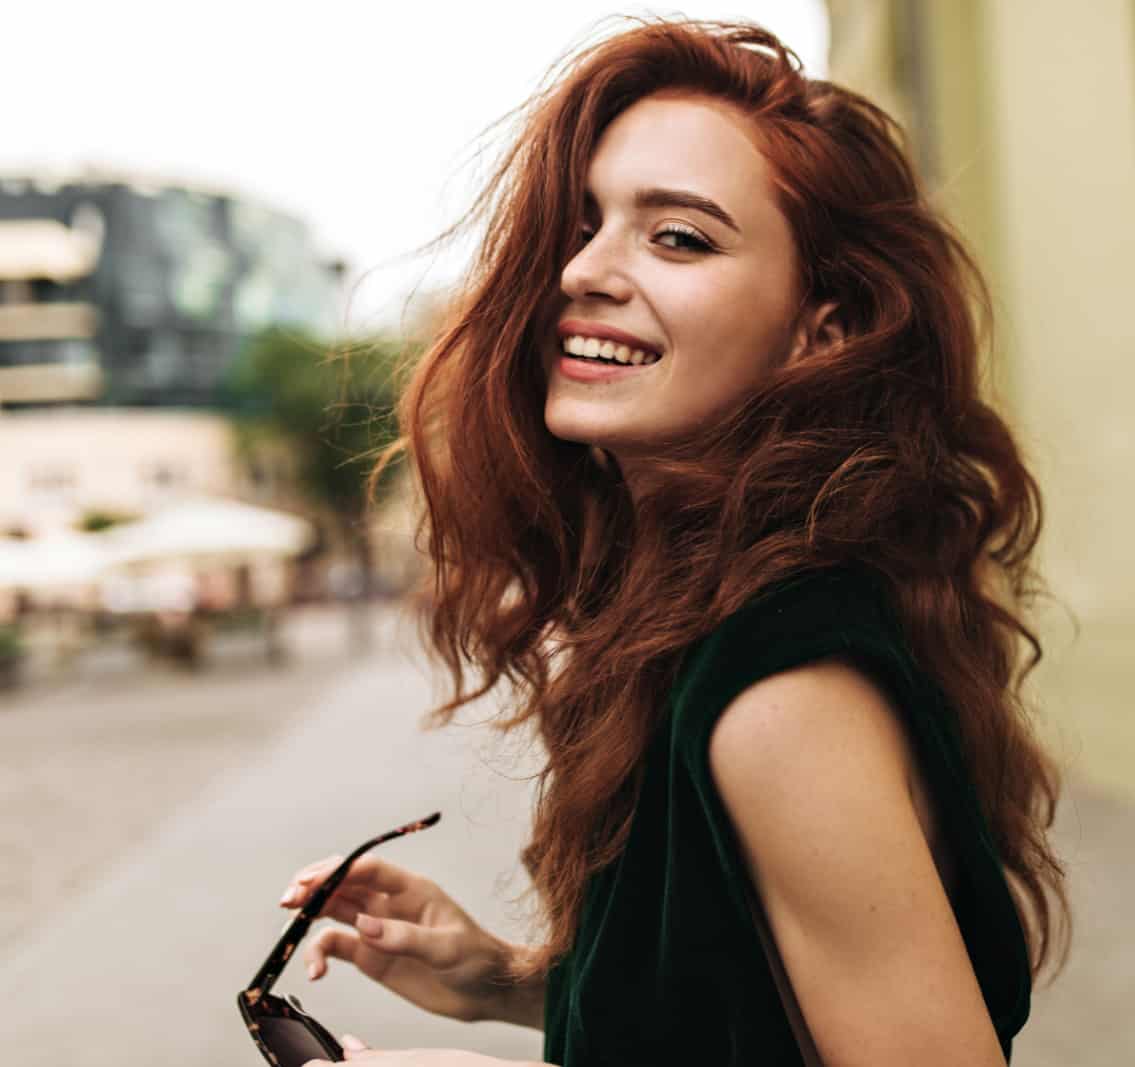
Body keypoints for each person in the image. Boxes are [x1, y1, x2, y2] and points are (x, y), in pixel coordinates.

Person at [286, 17, 1068, 1067]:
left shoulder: (779, 687)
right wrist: (510, 982)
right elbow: (737, 1013)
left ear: (820, 330)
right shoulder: (702, 615)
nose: (581, 271)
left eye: (680, 237)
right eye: (584, 222)